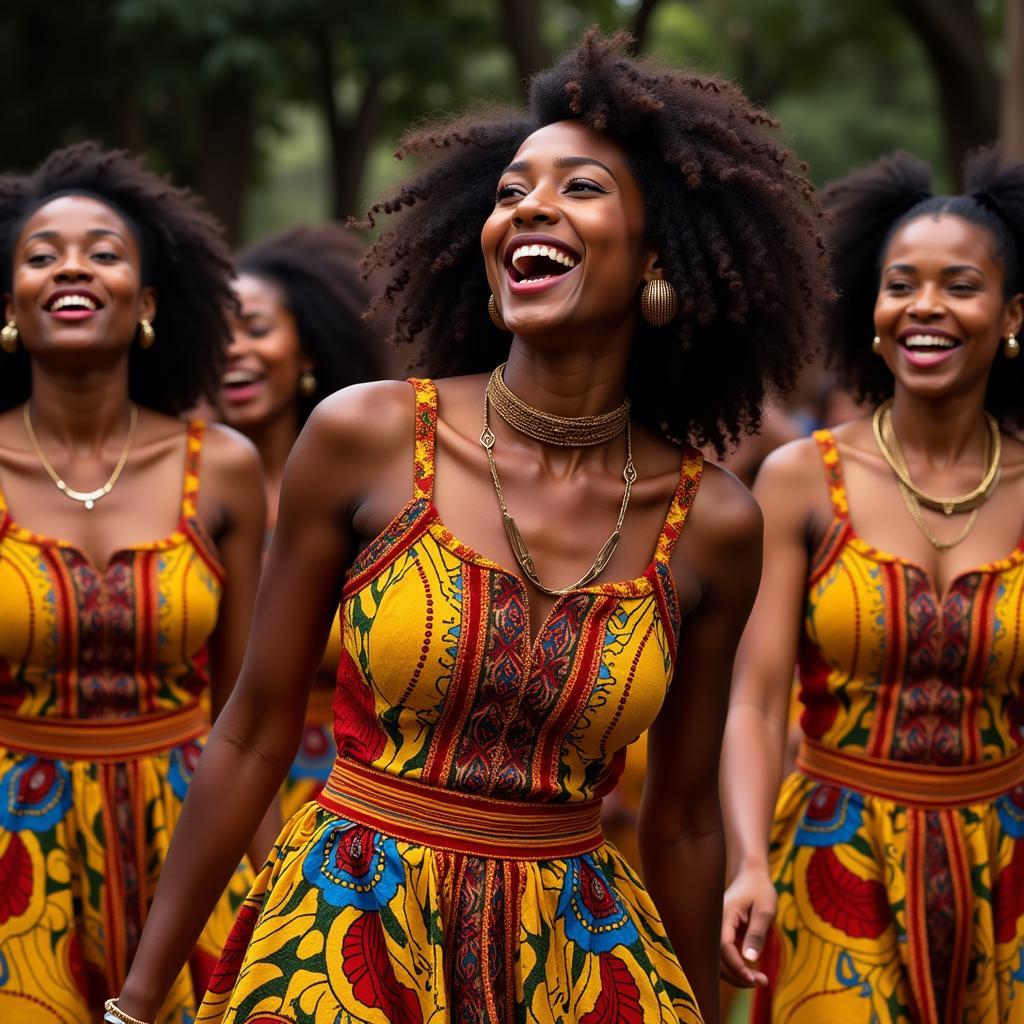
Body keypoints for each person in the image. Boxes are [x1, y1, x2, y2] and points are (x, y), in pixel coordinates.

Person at [110, 30, 827, 1024]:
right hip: (347, 943)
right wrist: (138, 1002)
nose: (529, 206)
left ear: (659, 253)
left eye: (578, 188)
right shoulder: (366, 437)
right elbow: (250, 732)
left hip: (575, 967)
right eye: (507, 193)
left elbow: (686, 821)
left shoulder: (712, 521)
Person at [720, 148, 1024, 1022]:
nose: (924, 307)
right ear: (873, 310)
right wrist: (748, 860)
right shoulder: (800, 479)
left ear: (1011, 316)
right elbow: (756, 697)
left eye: (958, 285)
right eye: (901, 285)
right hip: (832, 858)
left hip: (1006, 870)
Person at [0, 143, 266, 1022]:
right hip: (14, 852)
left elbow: (247, 711)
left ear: (147, 303)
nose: (72, 265)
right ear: (11, 304)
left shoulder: (221, 468)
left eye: (103, 252)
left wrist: (272, 876)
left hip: (191, 843)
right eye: (42, 255)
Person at [220, 225, 388, 817]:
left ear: (307, 349)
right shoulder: (180, 501)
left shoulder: (370, 494)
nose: (232, 349)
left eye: (255, 328)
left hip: (352, 799)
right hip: (213, 789)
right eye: (215, 336)